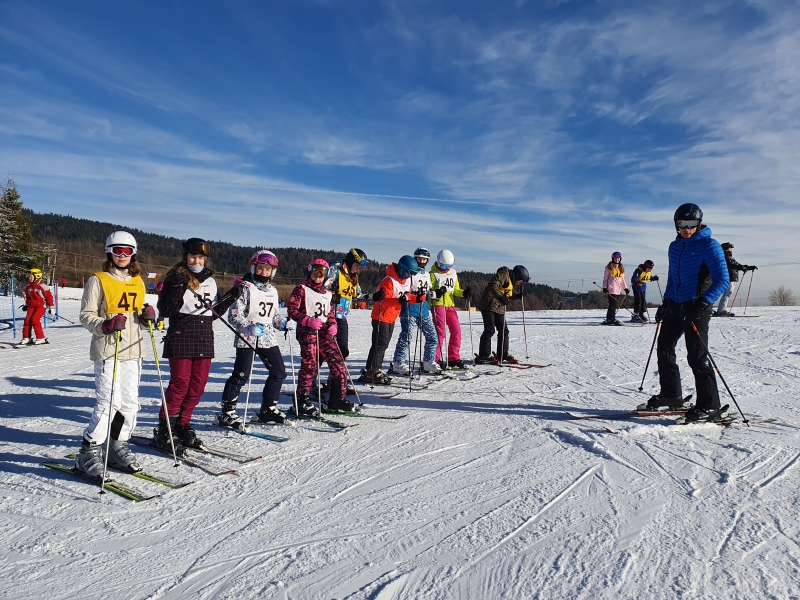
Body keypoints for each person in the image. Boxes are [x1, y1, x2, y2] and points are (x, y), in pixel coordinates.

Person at [75, 231, 153, 477]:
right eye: (117, 251)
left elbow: (139, 316)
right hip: (109, 349)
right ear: (109, 251)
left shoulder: (137, 280)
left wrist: (149, 317)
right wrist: (105, 325)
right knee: (109, 403)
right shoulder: (98, 280)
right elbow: (86, 316)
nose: (122, 255)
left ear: (133, 254)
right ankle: (88, 452)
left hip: (133, 349)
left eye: (127, 251)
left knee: (130, 404)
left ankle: (117, 446)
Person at [646, 203, 729, 422]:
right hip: (675, 305)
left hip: (696, 308)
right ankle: (671, 395)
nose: (686, 229)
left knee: (697, 356)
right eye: (682, 224)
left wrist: (703, 303)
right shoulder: (674, 247)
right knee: (664, 349)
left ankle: (710, 405)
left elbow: (723, 280)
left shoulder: (710, 246)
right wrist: (665, 303)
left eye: (691, 224)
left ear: (699, 223)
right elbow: (673, 277)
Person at [156, 238, 239, 449]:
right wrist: (175, 289)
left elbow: (213, 313)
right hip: (181, 334)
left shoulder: (210, 280)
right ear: (185, 257)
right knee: (180, 384)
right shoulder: (175, 277)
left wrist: (229, 298)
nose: (197, 261)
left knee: (197, 386)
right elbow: (165, 311)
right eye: (193, 256)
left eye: (201, 257)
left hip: (204, 336)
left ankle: (183, 424)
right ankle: (167, 428)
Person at [218, 251, 290, 430]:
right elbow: (234, 315)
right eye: (260, 268)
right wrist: (247, 327)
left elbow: (273, 316)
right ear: (253, 268)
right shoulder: (245, 287)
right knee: (241, 375)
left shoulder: (273, 291)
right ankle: (227, 412)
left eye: (267, 269)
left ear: (272, 272)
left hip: (267, 337)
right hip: (248, 336)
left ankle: (268, 408)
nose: (263, 272)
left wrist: (283, 324)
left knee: (279, 372)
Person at [287, 259, 352, 414]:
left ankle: (336, 399)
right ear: (310, 271)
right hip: (307, 332)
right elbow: (292, 310)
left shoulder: (327, 294)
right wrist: (307, 320)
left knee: (338, 363)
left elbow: (329, 314)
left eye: (322, 272)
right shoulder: (301, 289)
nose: (318, 275)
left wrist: (333, 324)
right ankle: (302, 400)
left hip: (324, 333)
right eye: (315, 271)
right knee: (310, 365)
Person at [360, 255, 418, 384]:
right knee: (380, 344)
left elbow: (407, 296)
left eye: (411, 274)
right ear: (402, 269)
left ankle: (371, 370)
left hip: (392, 316)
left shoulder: (406, 281)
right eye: (408, 273)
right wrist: (399, 300)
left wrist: (417, 298)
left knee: (382, 344)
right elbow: (382, 299)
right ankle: (374, 371)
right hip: (381, 315)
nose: (409, 276)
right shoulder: (389, 280)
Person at [325, 247, 369, 393]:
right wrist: (332, 295)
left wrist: (375, 297)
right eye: (357, 266)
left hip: (342, 317)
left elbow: (358, 295)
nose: (358, 270)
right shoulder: (335, 270)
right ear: (350, 262)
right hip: (327, 317)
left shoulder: (352, 276)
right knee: (321, 352)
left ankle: (336, 381)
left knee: (342, 351)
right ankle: (309, 384)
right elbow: (321, 287)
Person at [390, 248, 440, 375]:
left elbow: (427, 290)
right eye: (419, 259)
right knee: (407, 336)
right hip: (409, 310)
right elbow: (404, 289)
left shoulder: (427, 275)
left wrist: (433, 294)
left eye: (424, 259)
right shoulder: (410, 273)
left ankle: (428, 362)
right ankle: (398, 362)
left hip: (423, 310)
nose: (421, 261)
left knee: (432, 336)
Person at [475, 265, 530, 364]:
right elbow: (493, 285)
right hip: (488, 305)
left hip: (499, 307)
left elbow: (507, 294)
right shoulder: (503, 275)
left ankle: (502, 354)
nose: (520, 283)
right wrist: (500, 297)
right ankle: (484, 355)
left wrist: (516, 296)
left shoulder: (510, 281)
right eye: (521, 280)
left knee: (504, 330)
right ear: (517, 276)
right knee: (489, 330)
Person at [429, 249, 470, 370]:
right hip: (438, 305)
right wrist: (437, 293)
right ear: (438, 262)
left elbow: (455, 289)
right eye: (443, 265)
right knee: (440, 332)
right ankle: (435, 359)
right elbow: (429, 292)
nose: (446, 268)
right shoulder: (432, 274)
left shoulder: (453, 273)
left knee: (456, 330)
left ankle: (453, 358)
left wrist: (464, 293)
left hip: (450, 305)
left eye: (449, 266)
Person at [714, 243, 758, 317]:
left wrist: (748, 267)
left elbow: (738, 265)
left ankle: (721, 309)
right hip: (729, 277)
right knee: (727, 294)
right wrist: (742, 268)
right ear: (726, 248)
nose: (731, 249)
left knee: (727, 294)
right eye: (730, 248)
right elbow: (732, 265)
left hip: (732, 278)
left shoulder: (730, 257)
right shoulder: (726, 257)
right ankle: (721, 310)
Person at [21, 268, 55, 345]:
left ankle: (41, 338)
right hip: (32, 306)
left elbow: (49, 297)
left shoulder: (43, 286)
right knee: (27, 321)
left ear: (37, 276)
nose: (29, 278)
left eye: (31, 277)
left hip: (41, 306)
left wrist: (51, 308)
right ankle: (27, 338)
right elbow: (28, 297)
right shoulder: (29, 287)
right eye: (29, 276)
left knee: (34, 320)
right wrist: (26, 305)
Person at [601, 252, 628, 325]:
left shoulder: (621, 268)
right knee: (612, 304)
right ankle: (611, 319)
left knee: (614, 304)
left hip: (618, 289)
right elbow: (605, 278)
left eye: (618, 258)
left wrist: (625, 288)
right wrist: (604, 287)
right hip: (611, 288)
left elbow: (622, 279)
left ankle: (609, 317)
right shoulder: (609, 267)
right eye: (615, 258)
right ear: (613, 258)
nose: (617, 259)